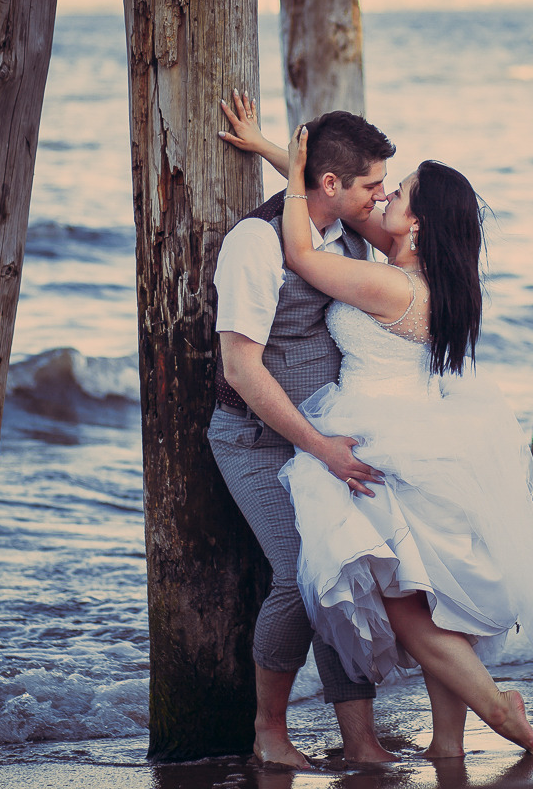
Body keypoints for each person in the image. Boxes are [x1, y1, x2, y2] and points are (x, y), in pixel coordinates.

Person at [226, 118, 533, 758]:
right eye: (384, 187)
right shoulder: (429, 276)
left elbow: (302, 250)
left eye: (399, 192)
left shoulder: (391, 284)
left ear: (418, 224)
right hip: (420, 433)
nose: (384, 199)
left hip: (382, 442)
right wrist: (284, 155)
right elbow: (341, 201)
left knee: (410, 606)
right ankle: (447, 744)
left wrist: (301, 171)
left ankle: (496, 708)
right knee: (436, 603)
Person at [207, 92, 397, 768]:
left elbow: (342, 193)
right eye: (372, 185)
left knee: (348, 573)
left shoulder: (347, 229)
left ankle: (360, 740)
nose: (382, 196)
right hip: (255, 441)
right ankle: (269, 732)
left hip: (327, 441)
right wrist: (318, 447)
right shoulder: (255, 245)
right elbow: (240, 367)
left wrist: (273, 150)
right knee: (300, 578)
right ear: (330, 185)